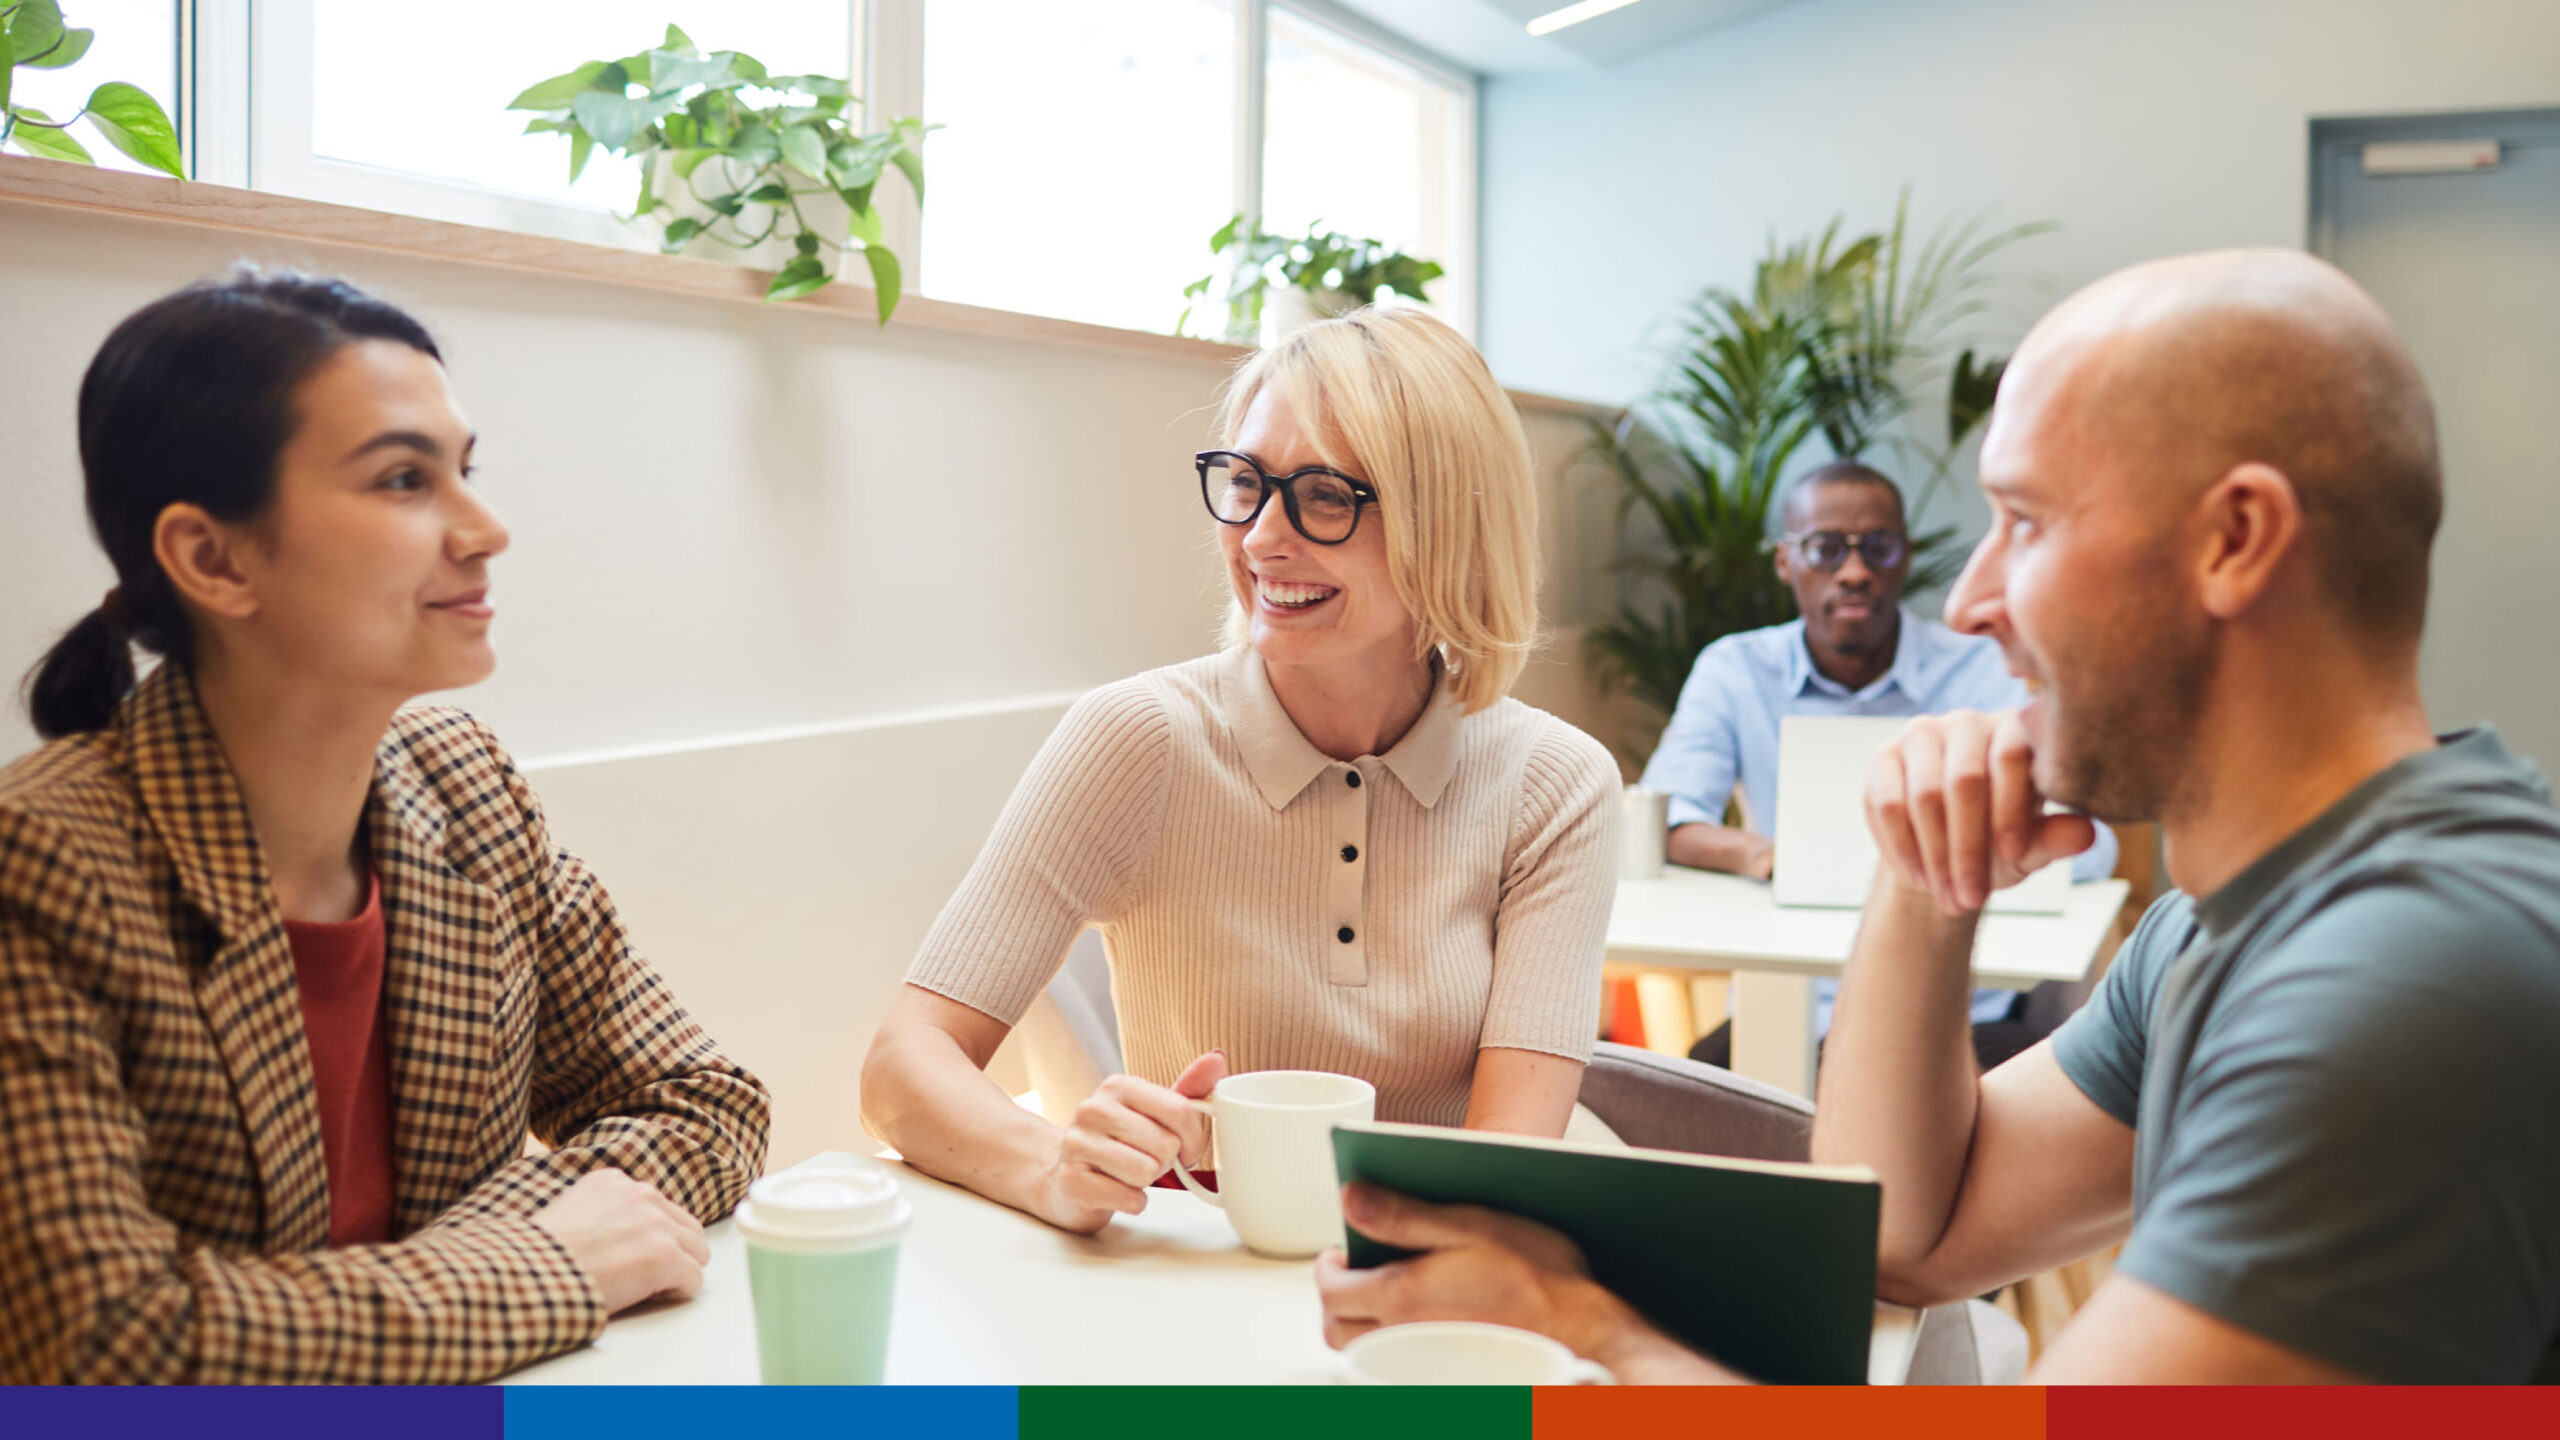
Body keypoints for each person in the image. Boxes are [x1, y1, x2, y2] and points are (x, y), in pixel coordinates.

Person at [1311, 249, 2560, 1384]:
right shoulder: (2211, 933)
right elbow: (1907, 1236)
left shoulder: (2411, 979)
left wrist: (1578, 1323)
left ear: (2235, 541)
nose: (1968, 603)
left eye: (2024, 520)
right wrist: (1919, 881)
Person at [0, 271, 771, 1384]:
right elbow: (103, 1342)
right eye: (406, 480)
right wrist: (540, 1265)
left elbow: (705, 1101)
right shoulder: (44, 863)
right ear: (212, 559)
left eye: (465, 469)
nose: (486, 528)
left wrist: (456, 1263)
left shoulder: (467, 786)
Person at [862, 307, 1620, 1235]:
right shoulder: (1137, 737)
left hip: (1441, 1257)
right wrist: (1050, 1163)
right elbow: (903, 1066)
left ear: (1447, 527)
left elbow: (1507, 1167)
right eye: (1247, 482)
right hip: (1201, 1263)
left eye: (1327, 496)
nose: (1262, 537)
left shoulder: (1556, 783)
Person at [1639, 461, 2115, 1068]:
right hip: (1788, 1001)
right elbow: (1667, 816)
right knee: (1692, 1104)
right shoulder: (1734, 670)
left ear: (1906, 557)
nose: (1856, 572)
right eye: (1826, 549)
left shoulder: (1991, 669)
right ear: (1786, 563)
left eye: (1879, 549)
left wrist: (1975, 857)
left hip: (1970, 1012)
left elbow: (2090, 843)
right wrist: (1769, 857)